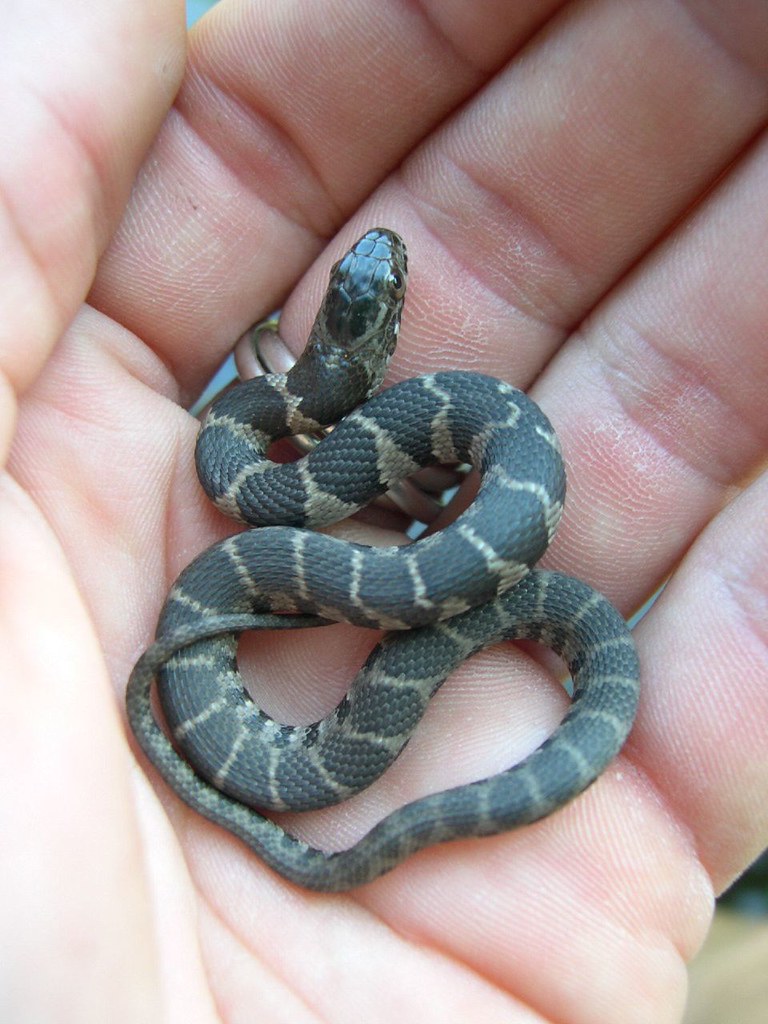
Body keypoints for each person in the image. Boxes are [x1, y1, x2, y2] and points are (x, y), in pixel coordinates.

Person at [2, 1, 766, 1020]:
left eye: (379, 295)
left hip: (324, 483)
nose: (383, 276)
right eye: (377, 296)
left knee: (476, 589)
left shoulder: (274, 437)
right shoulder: (248, 456)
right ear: (349, 362)